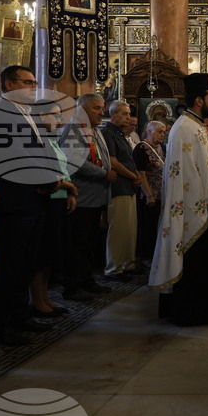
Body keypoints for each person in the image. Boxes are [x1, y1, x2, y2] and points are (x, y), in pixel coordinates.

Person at [0, 66, 60, 346]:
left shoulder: (25, 113)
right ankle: (0, 326)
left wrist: (50, 178)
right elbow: (12, 154)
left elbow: (40, 151)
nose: (33, 87)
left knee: (26, 263)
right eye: (27, 82)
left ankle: (19, 316)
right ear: (8, 84)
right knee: (10, 265)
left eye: (35, 82)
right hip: (13, 199)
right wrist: (44, 178)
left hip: (32, 198)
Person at [150, 73, 208, 327]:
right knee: (195, 261)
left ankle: (204, 309)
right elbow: (187, 173)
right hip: (194, 207)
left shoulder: (194, 125)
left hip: (202, 203)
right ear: (198, 100)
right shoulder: (185, 128)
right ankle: (193, 312)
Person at [59, 93, 116, 302]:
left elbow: (102, 156)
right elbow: (75, 162)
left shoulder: (95, 130)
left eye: (103, 108)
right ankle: (73, 285)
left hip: (96, 196)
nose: (103, 112)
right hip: (81, 196)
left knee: (89, 242)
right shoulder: (74, 129)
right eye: (97, 108)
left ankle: (87, 280)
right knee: (77, 243)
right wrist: (104, 173)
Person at [30, 102, 76, 319]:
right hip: (46, 200)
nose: (60, 121)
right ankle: (36, 300)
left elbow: (62, 169)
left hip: (58, 199)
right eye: (55, 116)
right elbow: (48, 175)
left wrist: (70, 192)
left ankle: (45, 297)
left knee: (51, 253)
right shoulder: (37, 139)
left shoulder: (52, 139)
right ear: (41, 115)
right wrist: (70, 187)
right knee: (41, 253)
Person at [101, 100, 142, 281]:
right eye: (124, 114)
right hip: (119, 187)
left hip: (129, 187)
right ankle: (114, 268)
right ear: (114, 114)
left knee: (129, 230)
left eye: (129, 114)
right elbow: (114, 162)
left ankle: (127, 264)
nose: (128, 117)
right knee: (118, 230)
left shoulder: (120, 133)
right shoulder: (107, 132)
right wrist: (133, 176)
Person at [133, 120, 167, 268]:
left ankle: (155, 254)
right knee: (148, 226)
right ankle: (146, 257)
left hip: (161, 193)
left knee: (157, 226)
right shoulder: (141, 148)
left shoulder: (161, 147)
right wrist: (149, 195)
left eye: (164, 132)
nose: (162, 135)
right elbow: (141, 174)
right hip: (149, 195)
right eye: (160, 131)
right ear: (149, 131)